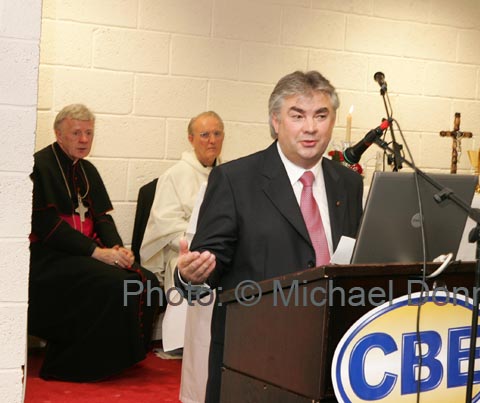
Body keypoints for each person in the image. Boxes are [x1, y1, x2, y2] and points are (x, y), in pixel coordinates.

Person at [176, 70, 364, 402]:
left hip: (331, 352)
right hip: (254, 357)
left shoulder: (347, 183)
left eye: (321, 115)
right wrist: (189, 275)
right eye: (298, 116)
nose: (310, 127)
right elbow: (208, 263)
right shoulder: (234, 180)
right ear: (276, 121)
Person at [28, 104, 159, 382]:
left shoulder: (88, 170)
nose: (84, 139)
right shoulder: (39, 166)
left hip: (87, 255)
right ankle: (77, 364)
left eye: (89, 133)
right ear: (58, 133)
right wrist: (96, 252)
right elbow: (47, 226)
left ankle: (122, 356)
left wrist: (118, 249)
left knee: (146, 280)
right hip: (49, 257)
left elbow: (102, 219)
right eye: (76, 133)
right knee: (115, 283)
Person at [140, 111, 224, 291]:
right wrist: (201, 245)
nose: (212, 140)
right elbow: (166, 225)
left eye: (217, 134)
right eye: (205, 135)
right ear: (191, 139)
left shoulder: (229, 175)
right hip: (185, 255)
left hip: (221, 253)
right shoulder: (175, 175)